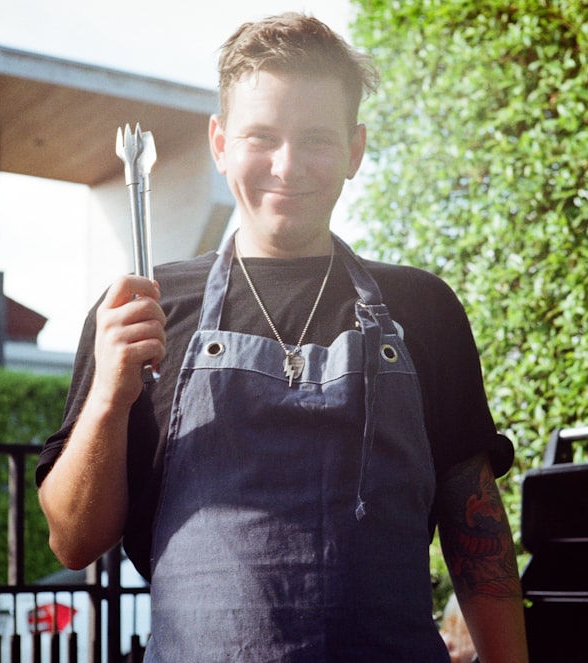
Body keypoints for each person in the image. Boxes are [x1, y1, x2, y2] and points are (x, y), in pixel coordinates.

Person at [36, 12, 528, 662]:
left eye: (317, 139)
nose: (288, 165)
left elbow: (478, 534)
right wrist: (108, 396)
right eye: (261, 135)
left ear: (355, 149)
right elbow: (73, 540)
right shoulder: (142, 311)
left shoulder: (423, 308)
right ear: (219, 143)